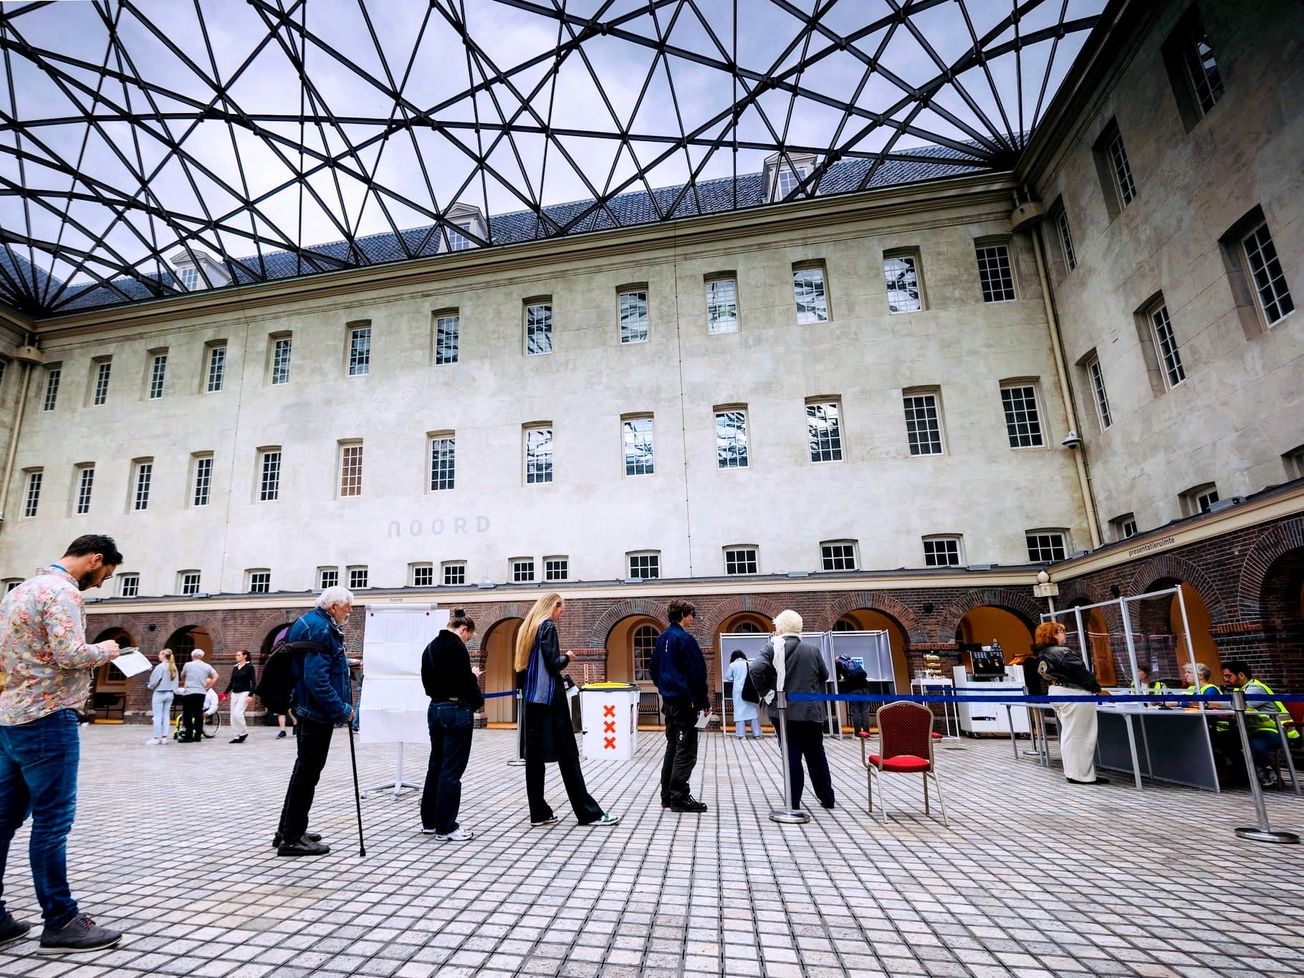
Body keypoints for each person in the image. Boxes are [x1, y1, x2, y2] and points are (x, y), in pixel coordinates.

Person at [0, 534, 124, 953]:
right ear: (95, 559)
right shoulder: (63, 592)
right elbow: (70, 653)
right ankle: (61, 921)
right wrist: (105, 650)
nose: (102, 582)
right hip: (49, 718)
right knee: (52, 823)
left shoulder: (19, 591)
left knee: (2, 821)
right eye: (105, 574)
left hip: (9, 717)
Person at [514, 592, 618, 828]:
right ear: (553, 606)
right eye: (561, 610)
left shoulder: (528, 629)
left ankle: (538, 813)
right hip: (551, 702)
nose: (561, 615)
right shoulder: (548, 627)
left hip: (532, 702)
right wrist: (568, 657)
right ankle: (588, 812)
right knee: (569, 757)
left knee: (535, 760)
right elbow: (554, 663)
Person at [273, 586, 356, 856]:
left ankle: (288, 829)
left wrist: (346, 664)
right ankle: (291, 838)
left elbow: (321, 665)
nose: (350, 611)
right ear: (333, 606)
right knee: (307, 774)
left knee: (303, 773)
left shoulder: (310, 621)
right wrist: (342, 709)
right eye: (347, 606)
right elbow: (316, 680)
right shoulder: (321, 629)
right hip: (316, 712)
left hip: (309, 709)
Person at [750, 610, 835, 810]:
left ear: (779, 628)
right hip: (812, 711)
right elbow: (824, 674)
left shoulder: (772, 648)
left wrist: (766, 692)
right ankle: (827, 798)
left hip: (785, 712)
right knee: (816, 754)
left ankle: (793, 801)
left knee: (791, 756)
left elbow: (755, 669)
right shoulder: (812, 650)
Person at [419, 609, 483, 842]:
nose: (467, 641)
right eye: (468, 637)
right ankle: (446, 826)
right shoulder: (456, 647)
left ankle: (430, 821)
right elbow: (464, 683)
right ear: (463, 629)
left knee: (435, 764)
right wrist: (474, 680)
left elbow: (426, 682)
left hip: (435, 708)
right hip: (456, 710)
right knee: (452, 770)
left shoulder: (430, 647)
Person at [649, 599, 709, 813]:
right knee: (686, 750)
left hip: (669, 701)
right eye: (691, 614)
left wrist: (664, 688)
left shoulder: (662, 637)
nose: (693, 618)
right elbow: (697, 673)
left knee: (673, 746)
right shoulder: (685, 639)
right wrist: (703, 702)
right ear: (683, 614)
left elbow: (653, 667)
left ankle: (667, 795)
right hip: (684, 702)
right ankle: (679, 796)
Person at [1034, 621, 1109, 786]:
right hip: (1073, 694)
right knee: (1081, 736)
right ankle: (1082, 774)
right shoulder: (1063, 653)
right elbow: (1081, 674)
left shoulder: (1042, 655)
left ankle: (1073, 772)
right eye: (1061, 632)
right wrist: (1097, 688)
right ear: (1053, 635)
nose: (1064, 635)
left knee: (1069, 735)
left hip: (1056, 692)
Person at [1221, 660, 1298, 788]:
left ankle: (1268, 774)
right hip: (1257, 731)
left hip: (1279, 730)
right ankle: (1246, 774)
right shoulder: (1239, 690)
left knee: (1255, 745)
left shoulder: (1256, 688)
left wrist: (1209, 704)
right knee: (1223, 739)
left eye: (1228, 676)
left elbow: (1241, 705)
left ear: (1241, 675)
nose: (1225, 679)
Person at [178, 649, 217, 742]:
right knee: (198, 714)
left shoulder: (187, 665)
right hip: (201, 693)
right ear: (202, 656)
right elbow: (216, 676)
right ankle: (198, 736)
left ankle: (189, 736)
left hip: (189, 692)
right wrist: (208, 687)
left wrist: (184, 682)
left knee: (187, 714)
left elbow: (182, 675)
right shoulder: (207, 666)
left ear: (192, 656)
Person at [146, 648, 178, 744]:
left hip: (160, 693)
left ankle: (156, 738)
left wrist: (149, 685)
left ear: (164, 655)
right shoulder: (174, 667)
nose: (158, 656)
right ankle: (164, 737)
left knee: (157, 716)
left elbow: (154, 681)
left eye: (160, 654)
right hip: (170, 693)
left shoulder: (161, 667)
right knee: (166, 716)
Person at [727, 650, 762, 739]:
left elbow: (728, 677)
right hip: (749, 690)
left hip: (738, 690)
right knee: (752, 712)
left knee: (739, 713)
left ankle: (742, 735)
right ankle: (757, 734)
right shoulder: (749, 663)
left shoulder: (732, 665)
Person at [834, 654, 871, 737]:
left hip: (853, 689)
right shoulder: (852, 661)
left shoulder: (839, 663)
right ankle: (867, 731)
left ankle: (858, 732)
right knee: (865, 711)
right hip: (865, 687)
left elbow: (837, 677)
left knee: (856, 711)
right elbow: (864, 674)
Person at [225, 649, 256, 744]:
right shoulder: (235, 667)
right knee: (232, 716)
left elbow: (254, 683)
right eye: (236, 655)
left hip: (244, 693)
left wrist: (250, 695)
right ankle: (236, 736)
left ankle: (244, 732)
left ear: (245, 656)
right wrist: (225, 693)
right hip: (234, 693)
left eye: (238, 655)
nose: (236, 656)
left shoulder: (249, 667)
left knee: (237, 714)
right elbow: (231, 682)